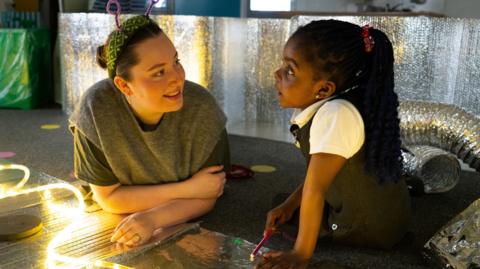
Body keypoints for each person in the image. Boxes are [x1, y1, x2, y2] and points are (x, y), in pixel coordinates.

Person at [256, 20, 411, 268]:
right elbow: (320, 175)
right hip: (388, 217)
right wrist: (290, 204)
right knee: (284, 205)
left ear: (324, 89)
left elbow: (316, 189)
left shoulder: (334, 115)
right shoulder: (337, 106)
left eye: (290, 70)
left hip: (370, 227)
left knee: (296, 214)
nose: (277, 74)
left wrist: (300, 255)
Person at [69, 15, 230, 247]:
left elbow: (209, 193)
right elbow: (108, 198)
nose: (177, 79)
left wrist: (152, 219)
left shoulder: (202, 110)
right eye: (158, 72)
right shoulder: (95, 110)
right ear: (124, 85)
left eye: (176, 61)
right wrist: (188, 188)